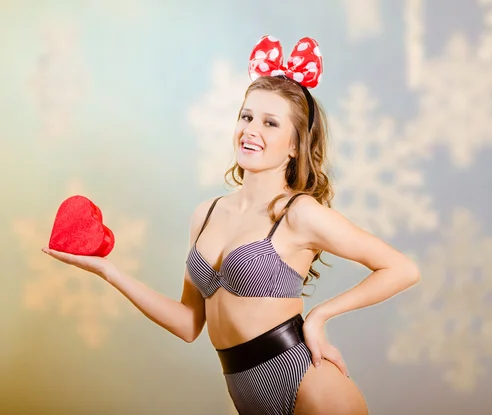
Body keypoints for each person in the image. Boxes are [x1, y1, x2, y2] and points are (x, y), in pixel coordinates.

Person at [41, 35, 420, 415]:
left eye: (271, 123)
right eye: (247, 116)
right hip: (247, 394)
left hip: (312, 390)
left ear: (294, 145)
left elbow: (402, 269)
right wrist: (108, 271)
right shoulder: (206, 213)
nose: (251, 130)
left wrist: (320, 315)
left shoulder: (299, 213)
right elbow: (189, 323)